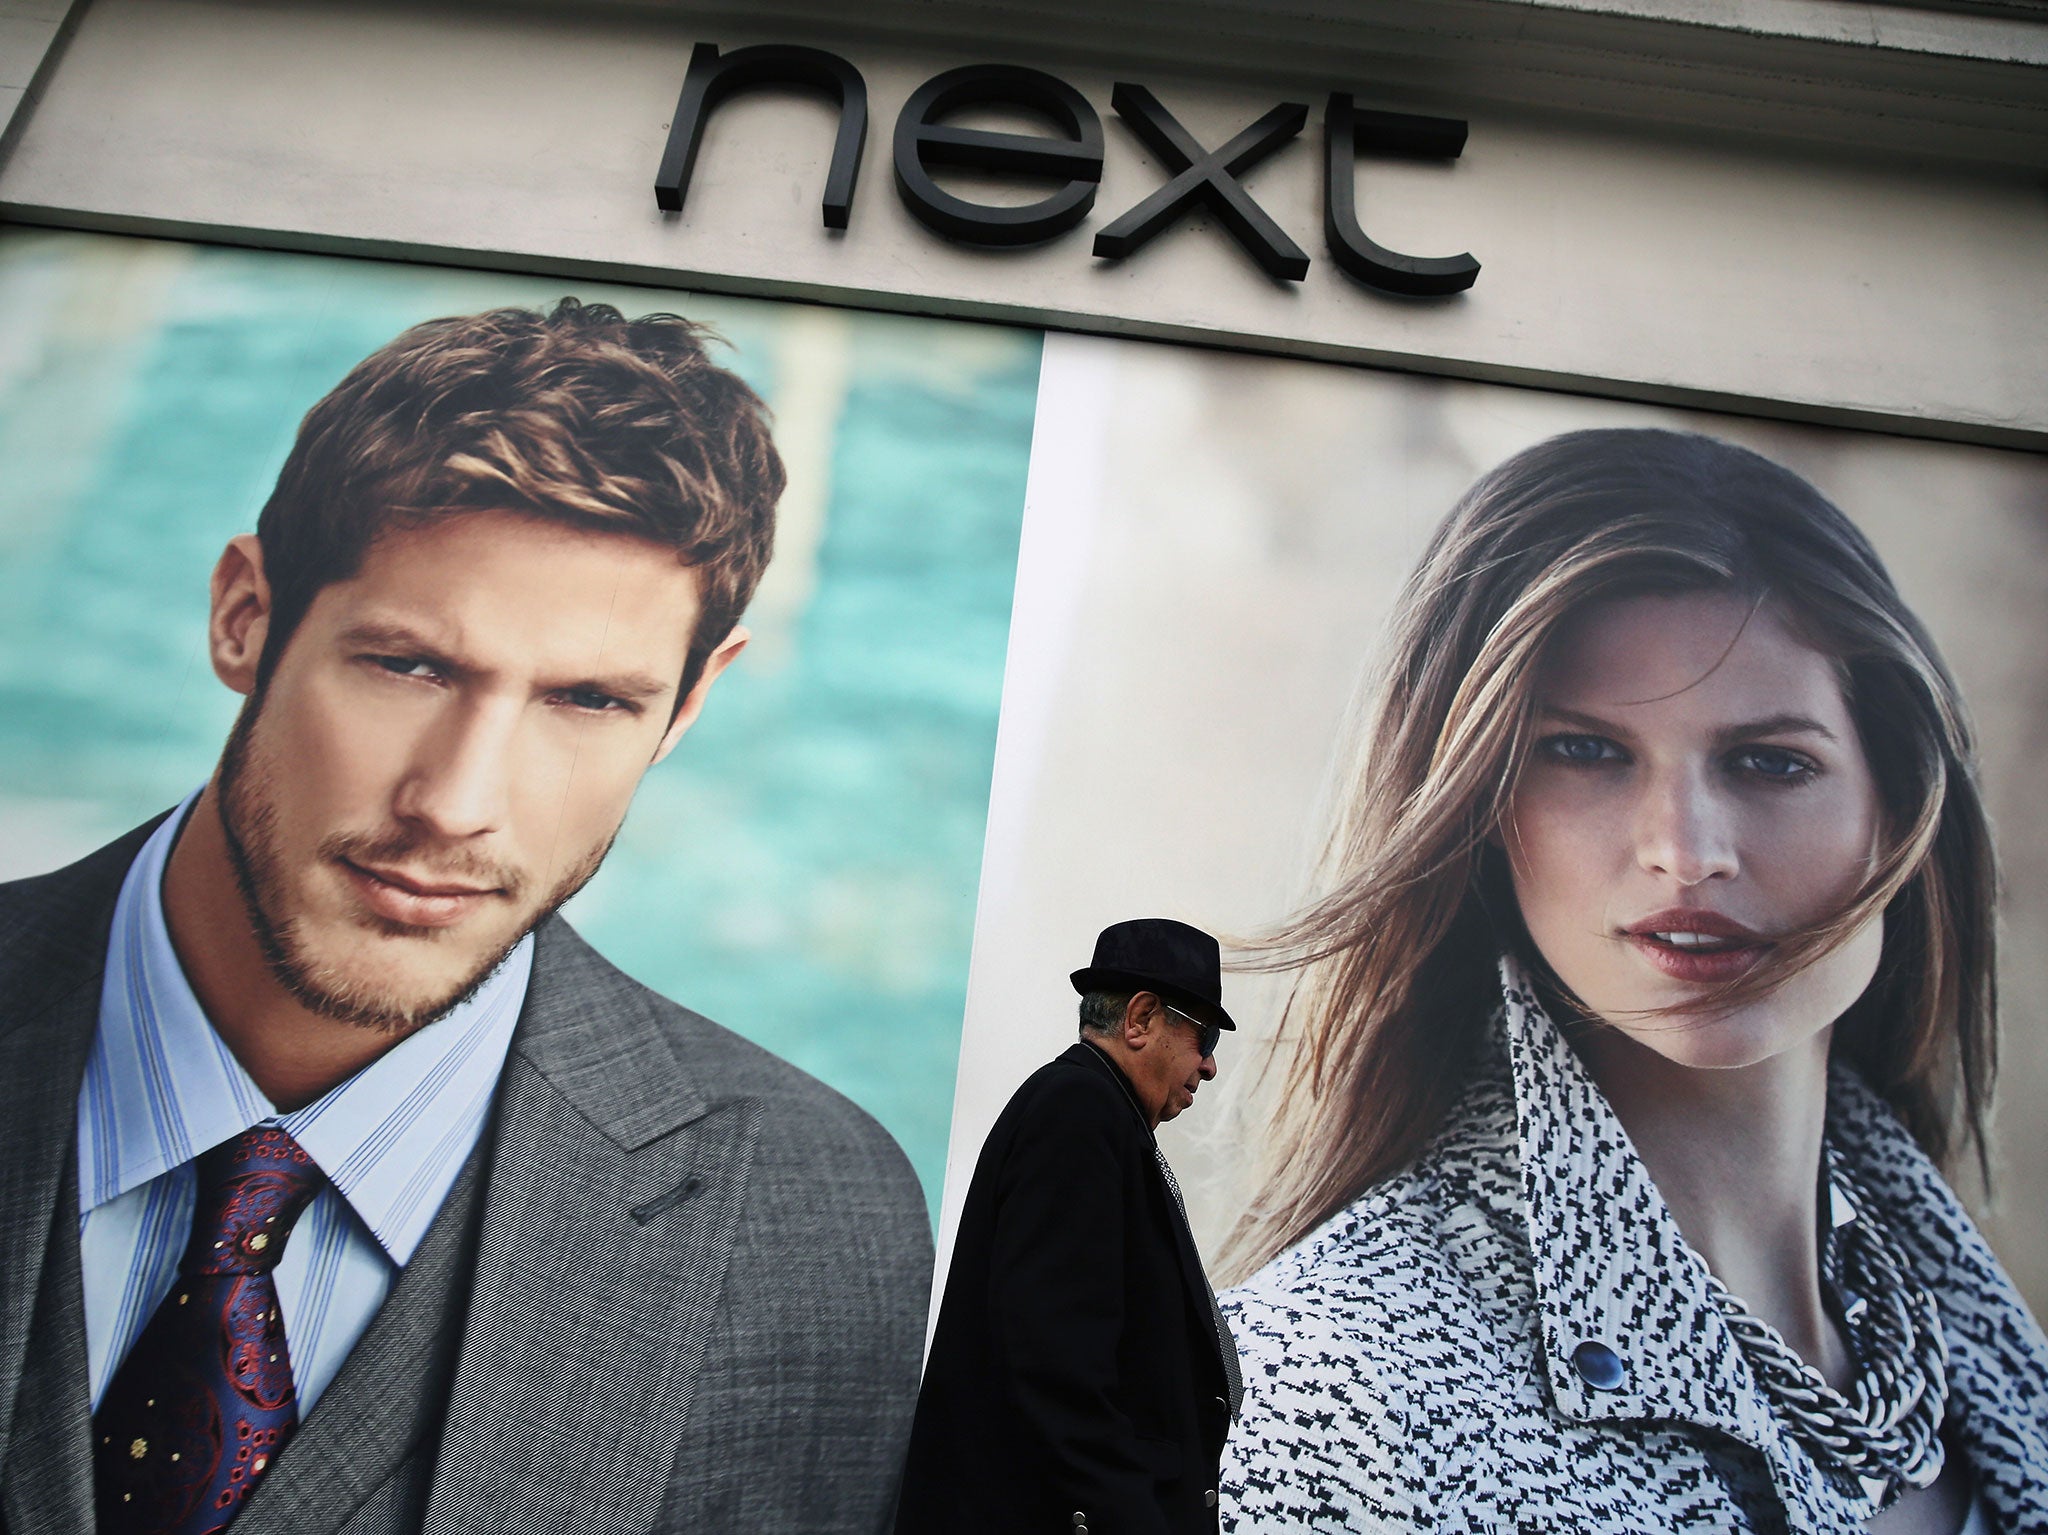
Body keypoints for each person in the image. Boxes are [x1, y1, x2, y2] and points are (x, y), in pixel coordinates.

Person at [0, 298, 932, 1535]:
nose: (456, 805)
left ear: (691, 706)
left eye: (590, 699)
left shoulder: (809, 1215)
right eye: (410, 665)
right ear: (245, 613)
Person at [1220, 429, 2048, 1532]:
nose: (1684, 847)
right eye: (1584, 752)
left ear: (1897, 803)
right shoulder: (1339, 1389)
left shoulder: (1977, 1340)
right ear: (1477, 807)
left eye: (1769, 761)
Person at [898, 917, 1244, 1535]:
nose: (1211, 1065)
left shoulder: (1097, 1112)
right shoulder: (1078, 1111)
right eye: (1204, 1036)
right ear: (1140, 1019)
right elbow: (1057, 1365)